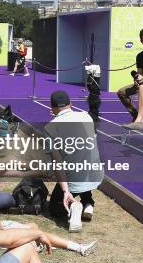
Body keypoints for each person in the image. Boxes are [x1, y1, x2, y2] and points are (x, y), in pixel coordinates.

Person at [0, 177, 97, 256]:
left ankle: (51, 244)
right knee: (37, 233)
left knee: (34, 227)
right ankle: (79, 247)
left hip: (2, 228)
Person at [44, 90, 103, 232]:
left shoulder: (50, 127)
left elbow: (57, 164)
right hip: (95, 174)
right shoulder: (86, 117)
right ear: (71, 104)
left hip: (75, 176)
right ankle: (88, 202)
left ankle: (74, 207)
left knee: (54, 209)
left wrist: (65, 191)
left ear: (51, 107)